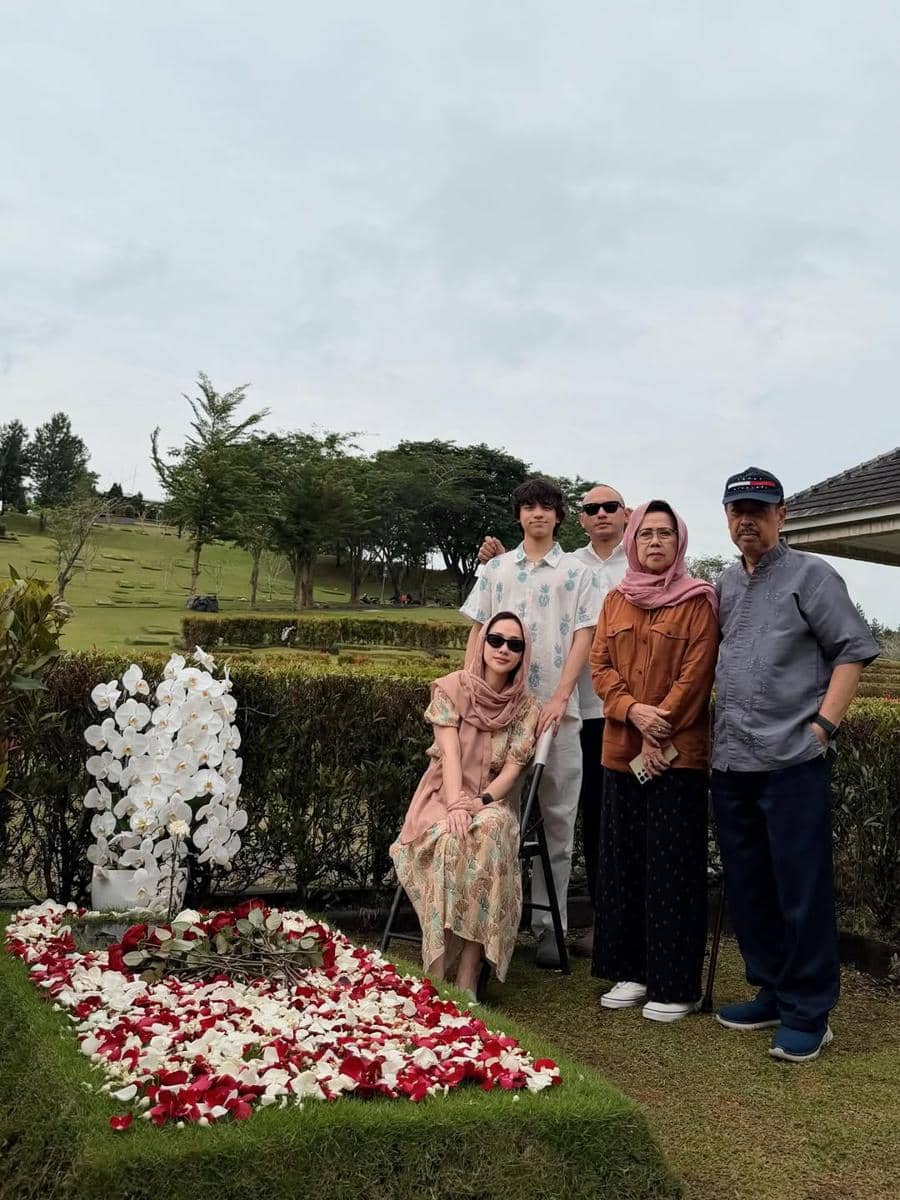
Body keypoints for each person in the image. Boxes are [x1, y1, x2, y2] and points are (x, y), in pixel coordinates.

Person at [711, 467, 880, 1062]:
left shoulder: (813, 574)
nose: (747, 521)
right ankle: (773, 991)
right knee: (749, 884)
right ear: (727, 517)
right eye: (738, 511)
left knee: (801, 886)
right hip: (732, 761)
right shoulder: (725, 582)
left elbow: (852, 650)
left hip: (792, 760)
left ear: (781, 516)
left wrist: (823, 726)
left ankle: (809, 1011)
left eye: (759, 511)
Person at [478, 483, 630, 955]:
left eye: (546, 507)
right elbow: (479, 632)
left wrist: (562, 697)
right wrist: (471, 695)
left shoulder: (577, 573)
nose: (537, 514)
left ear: (561, 516)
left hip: (557, 715)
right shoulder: (496, 570)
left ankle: (551, 926)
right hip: (500, 714)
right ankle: (491, 926)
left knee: (559, 822)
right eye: (528, 507)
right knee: (495, 817)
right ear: (518, 515)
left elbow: (585, 636)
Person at [590, 500, 719, 1021]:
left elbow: (697, 674)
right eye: (646, 534)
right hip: (621, 753)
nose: (655, 542)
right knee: (623, 864)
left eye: (665, 534)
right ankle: (632, 971)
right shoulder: (615, 599)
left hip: (676, 757)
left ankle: (675, 984)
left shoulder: (698, 601)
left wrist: (657, 724)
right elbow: (600, 666)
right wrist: (632, 711)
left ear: (679, 541)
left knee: (673, 868)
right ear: (632, 542)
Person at [390, 612, 540, 998]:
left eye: (514, 645)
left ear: (522, 655)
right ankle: (438, 969)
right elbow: (450, 755)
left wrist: (479, 802)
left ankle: (468, 975)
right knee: (449, 842)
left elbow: (512, 772)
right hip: (443, 794)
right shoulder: (450, 688)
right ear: (482, 642)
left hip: (491, 800)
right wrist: (457, 804)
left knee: (489, 833)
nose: (503, 649)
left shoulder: (526, 708)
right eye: (495, 640)